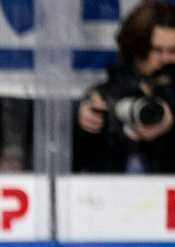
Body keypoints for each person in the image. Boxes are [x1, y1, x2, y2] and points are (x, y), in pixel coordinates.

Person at [74, 0, 175, 174]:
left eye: (173, 51)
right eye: (156, 50)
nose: (165, 58)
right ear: (136, 48)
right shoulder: (108, 93)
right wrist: (83, 120)